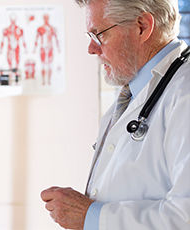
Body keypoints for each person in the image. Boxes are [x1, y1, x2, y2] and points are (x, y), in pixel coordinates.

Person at [41, 0, 190, 229]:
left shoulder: (184, 93)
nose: (92, 49)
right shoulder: (134, 95)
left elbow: (184, 217)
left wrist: (91, 216)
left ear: (142, 26)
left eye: (99, 34)